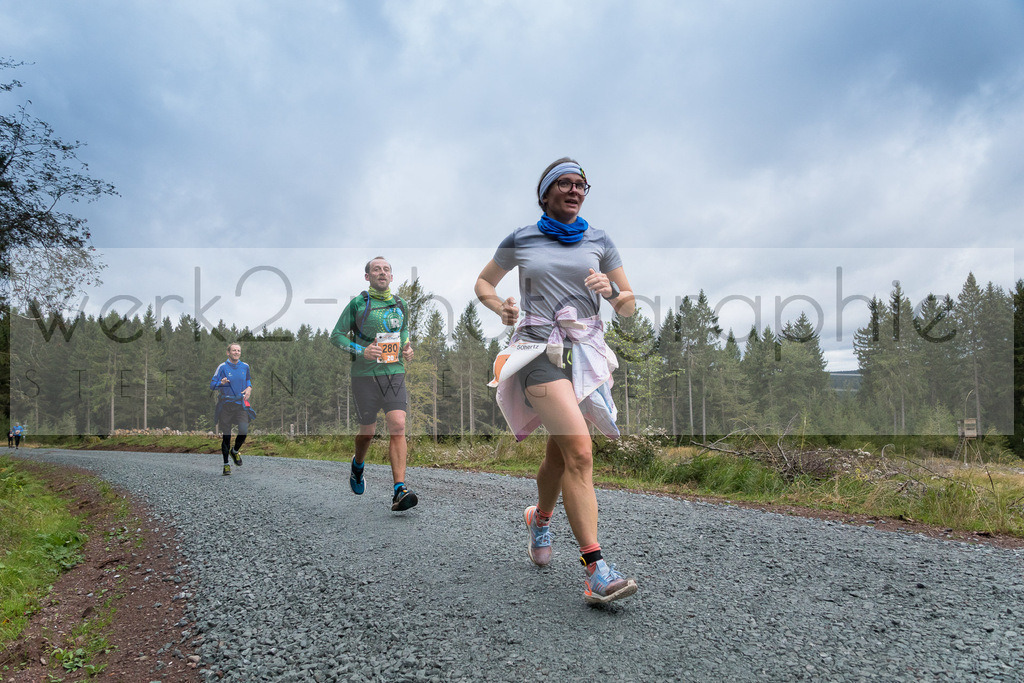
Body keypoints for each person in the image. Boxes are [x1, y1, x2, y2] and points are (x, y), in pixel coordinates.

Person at [475, 157, 639, 605]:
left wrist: (614, 293)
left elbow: (628, 306)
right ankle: (596, 570)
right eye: (563, 184)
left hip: (584, 355)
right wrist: (499, 308)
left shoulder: (600, 240)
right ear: (545, 195)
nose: (574, 190)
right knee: (580, 451)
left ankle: (540, 517)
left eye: (580, 184)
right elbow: (483, 283)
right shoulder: (522, 238)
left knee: (562, 455)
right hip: (536, 352)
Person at [330, 256, 418, 512]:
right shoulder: (358, 304)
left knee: (398, 425)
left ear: (391, 277)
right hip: (364, 376)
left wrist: (407, 348)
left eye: (386, 269)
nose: (382, 272)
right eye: (376, 269)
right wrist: (360, 350)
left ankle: (399, 490)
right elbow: (335, 336)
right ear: (367, 276)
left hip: (394, 373)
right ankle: (358, 465)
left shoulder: (401, 304)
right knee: (367, 433)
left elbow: (403, 332)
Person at [210, 343, 253, 476]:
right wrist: (220, 383)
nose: (236, 352)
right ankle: (226, 464)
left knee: (244, 430)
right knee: (226, 436)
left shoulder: (245, 366)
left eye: (238, 350)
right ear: (228, 353)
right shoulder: (222, 367)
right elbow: (212, 385)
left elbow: (248, 380)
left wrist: (249, 388)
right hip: (226, 405)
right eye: (234, 350)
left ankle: (234, 451)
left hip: (240, 404)